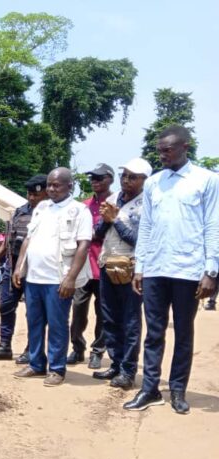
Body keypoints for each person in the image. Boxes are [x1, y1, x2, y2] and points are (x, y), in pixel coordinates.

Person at [124, 125, 219, 414]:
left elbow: (213, 225)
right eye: (159, 150)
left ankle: (178, 389)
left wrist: (211, 271)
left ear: (184, 147)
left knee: (184, 332)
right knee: (153, 332)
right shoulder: (154, 183)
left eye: (167, 149)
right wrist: (140, 266)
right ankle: (150, 389)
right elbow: (148, 226)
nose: (162, 155)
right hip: (155, 268)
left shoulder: (207, 180)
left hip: (189, 269)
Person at [13, 167, 92, 387]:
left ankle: (57, 368)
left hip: (58, 279)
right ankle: (37, 363)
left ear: (70, 186)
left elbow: (83, 245)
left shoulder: (79, 211)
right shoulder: (41, 208)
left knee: (57, 325)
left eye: (56, 185)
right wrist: (20, 266)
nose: (51, 189)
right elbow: (28, 240)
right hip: (34, 278)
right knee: (34, 322)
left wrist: (70, 278)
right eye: (49, 185)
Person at [94, 158, 151, 389]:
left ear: (144, 180)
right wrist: (106, 220)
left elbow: (139, 240)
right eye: (124, 175)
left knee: (130, 320)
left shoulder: (146, 204)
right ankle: (116, 364)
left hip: (131, 268)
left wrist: (115, 220)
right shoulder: (111, 198)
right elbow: (98, 232)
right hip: (108, 265)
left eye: (133, 176)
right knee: (109, 318)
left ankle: (128, 370)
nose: (126, 179)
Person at [0, 175, 47, 363]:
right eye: (29, 194)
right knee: (5, 306)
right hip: (13, 266)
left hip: (36, 269)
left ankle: (31, 349)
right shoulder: (20, 211)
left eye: (36, 194)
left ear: (46, 193)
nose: (31, 198)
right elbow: (10, 237)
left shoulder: (50, 214)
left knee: (34, 312)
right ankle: (5, 346)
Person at [67, 163, 113, 369]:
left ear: (110, 179)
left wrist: (92, 234)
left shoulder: (115, 204)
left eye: (99, 178)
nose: (95, 181)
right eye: (92, 178)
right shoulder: (84, 206)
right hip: (84, 266)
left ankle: (97, 351)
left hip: (106, 266)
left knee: (103, 313)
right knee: (78, 310)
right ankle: (77, 348)